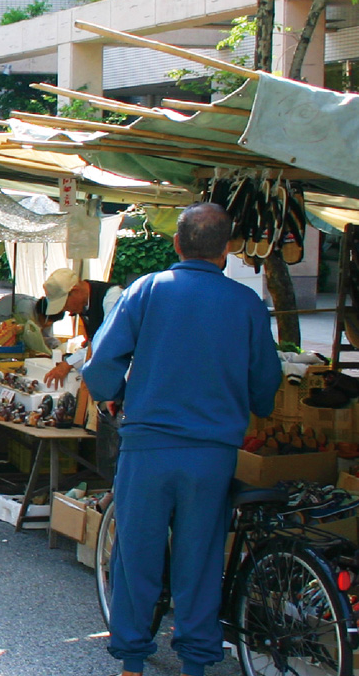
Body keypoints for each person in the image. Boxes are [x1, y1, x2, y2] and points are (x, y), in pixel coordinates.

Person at [84, 203, 280, 676]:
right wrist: (256, 406)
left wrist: (113, 395)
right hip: (212, 454)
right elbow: (265, 383)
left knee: (136, 556)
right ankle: (195, 664)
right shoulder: (247, 304)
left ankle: (133, 662)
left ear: (176, 243)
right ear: (227, 250)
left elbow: (102, 364)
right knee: (201, 558)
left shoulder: (148, 289)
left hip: (147, 447)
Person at [40, 267, 123, 389]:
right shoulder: (84, 305)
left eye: (65, 305)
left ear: (75, 291)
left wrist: (69, 363)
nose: (66, 310)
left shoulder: (112, 297)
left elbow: (107, 342)